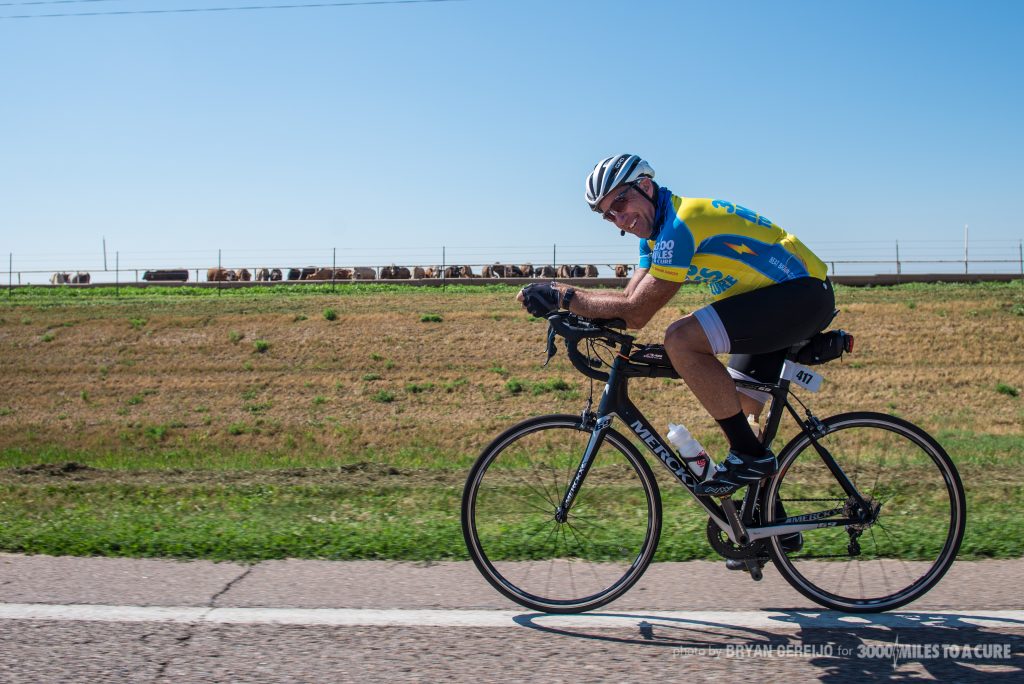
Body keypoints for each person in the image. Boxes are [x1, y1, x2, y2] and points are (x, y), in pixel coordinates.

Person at [518, 153, 835, 500]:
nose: (619, 218)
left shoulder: (679, 227)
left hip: (799, 293)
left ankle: (751, 457)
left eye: (620, 202)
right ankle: (770, 530)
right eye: (608, 214)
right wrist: (576, 313)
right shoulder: (652, 237)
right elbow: (627, 297)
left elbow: (637, 313)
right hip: (770, 301)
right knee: (741, 416)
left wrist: (562, 295)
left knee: (681, 339)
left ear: (646, 186)